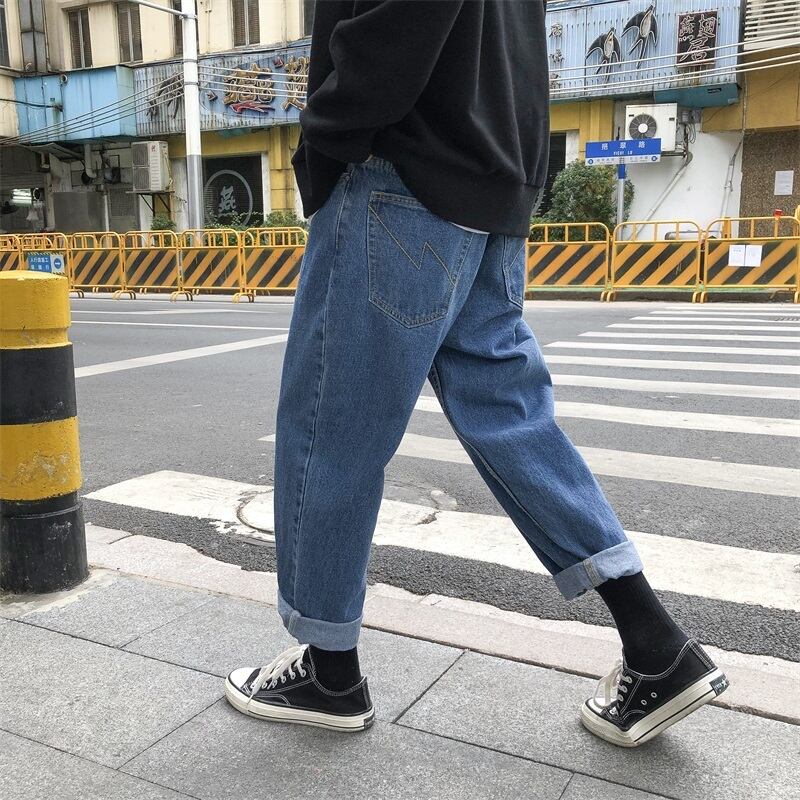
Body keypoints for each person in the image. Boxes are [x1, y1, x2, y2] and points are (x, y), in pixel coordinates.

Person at [225, 0, 728, 747]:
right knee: (511, 420)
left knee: (330, 429)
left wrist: (327, 138)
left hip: (400, 173)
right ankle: (655, 644)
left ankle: (330, 673)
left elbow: (399, 22)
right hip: (492, 182)